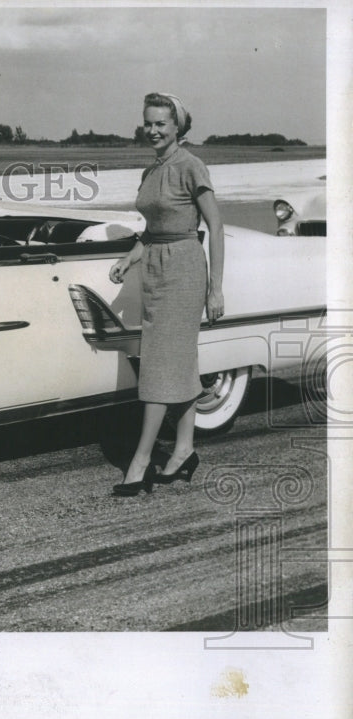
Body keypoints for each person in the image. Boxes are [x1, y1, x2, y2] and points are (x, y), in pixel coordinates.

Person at [108, 92, 225, 496]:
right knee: (180, 362)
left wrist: (216, 289)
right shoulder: (149, 171)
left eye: (161, 123)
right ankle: (184, 450)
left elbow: (216, 227)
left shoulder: (191, 166)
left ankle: (140, 461)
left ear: (178, 126)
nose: (153, 130)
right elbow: (152, 231)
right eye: (148, 122)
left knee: (159, 366)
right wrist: (130, 257)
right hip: (156, 268)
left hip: (185, 270)